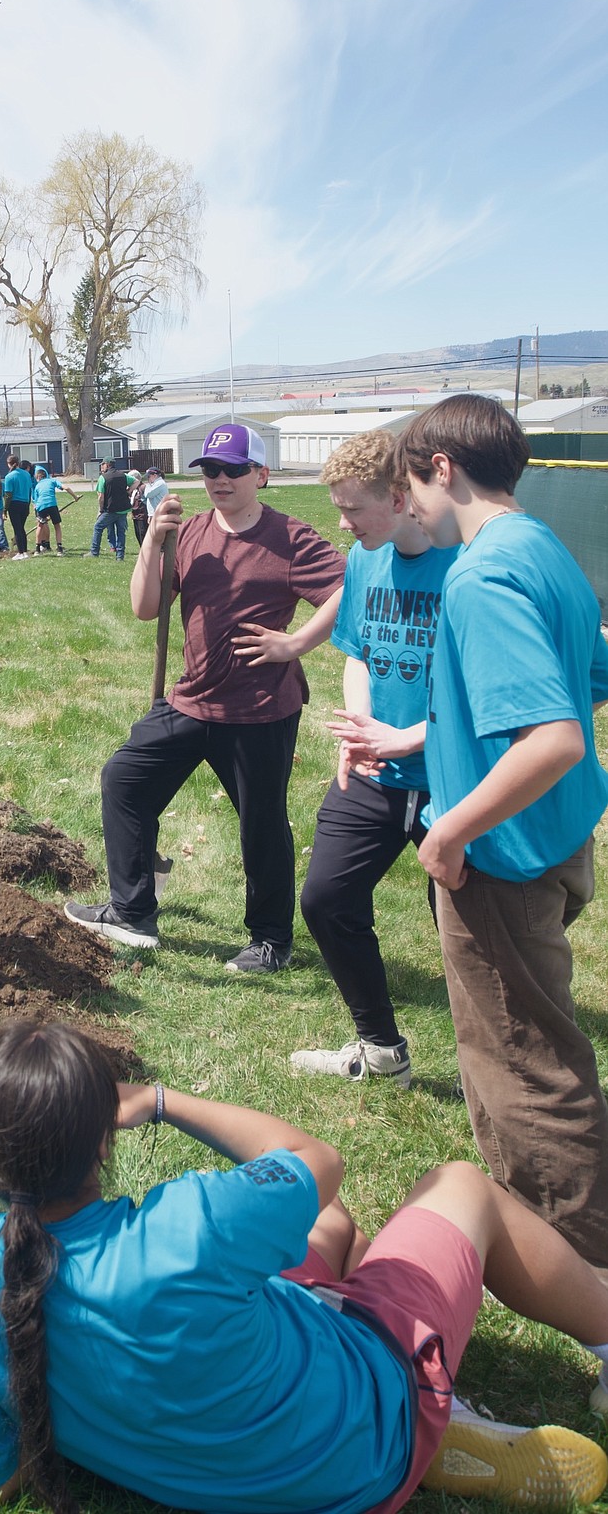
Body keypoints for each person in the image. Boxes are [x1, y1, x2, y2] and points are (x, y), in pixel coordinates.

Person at [0, 1018, 608, 1514]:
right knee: (460, 1185)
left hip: (223, 1452)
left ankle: (410, 1363)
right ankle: (439, 1394)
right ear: (105, 1139)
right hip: (360, 1445)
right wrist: (162, 1101)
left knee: (333, 1230)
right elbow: (320, 1161)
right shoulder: (196, 1225)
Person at [380, 394, 608, 1269]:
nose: (409, 508)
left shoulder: (480, 574)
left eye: (411, 486)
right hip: (557, 840)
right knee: (544, 1042)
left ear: (444, 468)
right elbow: (591, 674)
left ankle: (583, 1271)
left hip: (501, 860)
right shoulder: (543, 545)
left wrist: (450, 831)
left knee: (527, 1071)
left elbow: (552, 738)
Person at [66, 424, 344, 969]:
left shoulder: (291, 538)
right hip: (192, 699)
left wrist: (296, 643)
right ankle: (132, 910)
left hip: (260, 709)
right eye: (211, 470)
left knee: (261, 823)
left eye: (234, 469)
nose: (220, 479)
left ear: (260, 475)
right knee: (125, 780)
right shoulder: (188, 533)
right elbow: (146, 608)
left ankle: (270, 941)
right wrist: (151, 542)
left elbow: (349, 588)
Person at [290, 430, 456, 1087]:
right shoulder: (364, 559)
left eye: (352, 508)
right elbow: (357, 650)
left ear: (398, 497)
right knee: (327, 899)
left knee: (467, 929)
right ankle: (382, 1052)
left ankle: (506, 1067)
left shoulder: (465, 563)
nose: (341, 521)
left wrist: (410, 737)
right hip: (374, 770)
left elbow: (483, 695)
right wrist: (360, 727)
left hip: (452, 776)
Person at [89, 460, 130, 560]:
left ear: (107, 465)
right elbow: (136, 481)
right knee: (121, 532)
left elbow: (101, 497)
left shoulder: (103, 477)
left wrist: (101, 510)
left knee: (98, 527)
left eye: (102, 464)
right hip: (123, 509)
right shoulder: (123, 475)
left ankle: (94, 552)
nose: (101, 467)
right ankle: (120, 556)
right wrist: (128, 491)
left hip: (110, 510)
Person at [33, 465, 72, 554]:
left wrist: (42, 516)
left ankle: (37, 549)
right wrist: (75, 497)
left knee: (40, 526)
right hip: (52, 505)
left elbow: (36, 502)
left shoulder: (37, 486)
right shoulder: (52, 481)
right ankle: (59, 548)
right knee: (57, 526)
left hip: (41, 507)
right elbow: (66, 487)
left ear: (38, 477)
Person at [2, 454, 33, 558]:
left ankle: (21, 553)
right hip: (25, 504)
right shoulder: (26, 474)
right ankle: (24, 551)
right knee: (21, 528)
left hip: (14, 505)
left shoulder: (9, 476)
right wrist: (28, 505)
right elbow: (29, 491)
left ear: (8, 464)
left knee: (17, 529)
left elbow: (8, 495)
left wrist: (5, 509)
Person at [129, 471, 149, 547]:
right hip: (135, 514)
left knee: (142, 533)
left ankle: (146, 551)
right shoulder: (134, 489)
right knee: (138, 534)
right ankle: (142, 550)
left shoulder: (143, 487)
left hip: (142, 514)